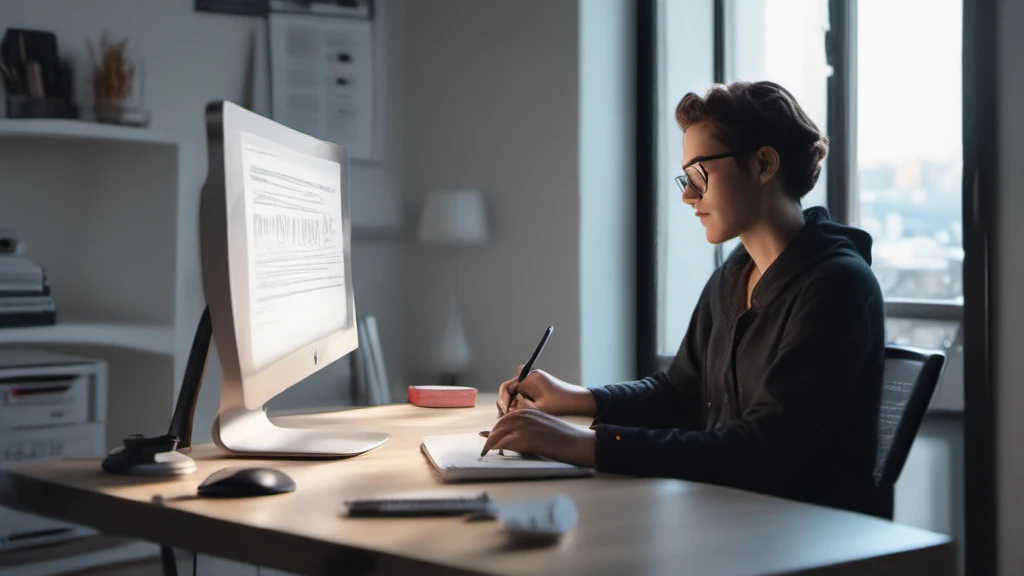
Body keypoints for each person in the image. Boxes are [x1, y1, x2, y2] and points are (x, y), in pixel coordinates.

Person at [482, 80, 888, 518]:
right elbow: (679, 393)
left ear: (764, 163)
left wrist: (583, 443)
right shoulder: (733, 277)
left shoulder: (838, 287)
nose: (687, 195)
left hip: (806, 534)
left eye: (700, 175)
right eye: (687, 178)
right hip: (730, 516)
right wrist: (577, 398)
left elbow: (762, 449)